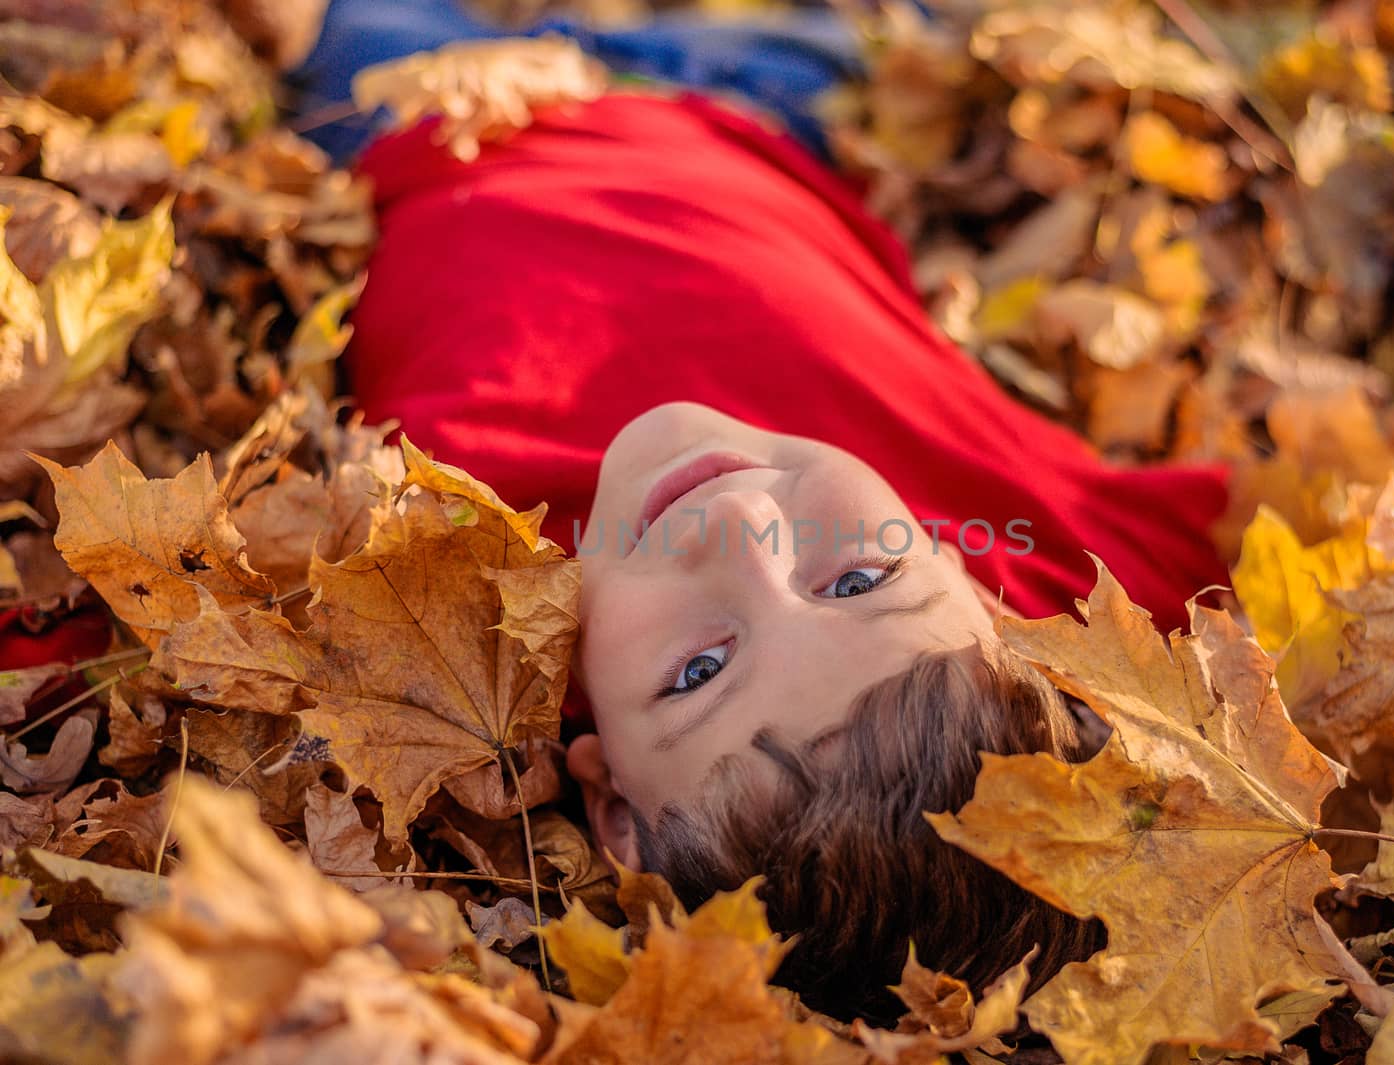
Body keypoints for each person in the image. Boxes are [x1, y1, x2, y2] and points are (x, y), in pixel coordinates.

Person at [277, 0, 1235, 1021]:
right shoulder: (1045, 578)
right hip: (774, 115)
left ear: (614, 807)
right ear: (989, 603)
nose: (740, 529)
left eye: (700, 672)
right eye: (859, 580)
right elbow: (1234, 579)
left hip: (455, 109)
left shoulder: (442, 558)